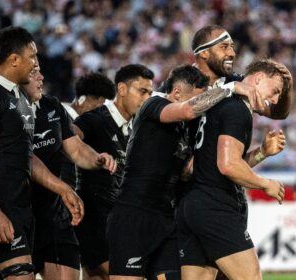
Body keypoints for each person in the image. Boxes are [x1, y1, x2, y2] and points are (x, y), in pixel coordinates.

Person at [106, 63, 268, 280]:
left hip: (168, 216)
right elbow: (189, 108)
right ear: (177, 93)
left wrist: (262, 153)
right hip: (135, 212)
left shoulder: (189, 129)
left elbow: (220, 167)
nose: (202, 108)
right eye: (197, 98)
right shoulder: (154, 104)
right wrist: (230, 88)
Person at [0, 26, 84, 280]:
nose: (37, 63)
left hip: (19, 207)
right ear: (14, 59)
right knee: (21, 275)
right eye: (33, 56)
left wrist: (62, 188)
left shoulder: (20, 99)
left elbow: (26, 155)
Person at [177, 59, 290, 280]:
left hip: (193, 204)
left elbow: (221, 163)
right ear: (258, 79)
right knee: (250, 277)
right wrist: (266, 184)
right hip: (215, 205)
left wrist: (262, 152)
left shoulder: (220, 104)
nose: (275, 100)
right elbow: (228, 165)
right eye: (275, 91)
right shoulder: (238, 109)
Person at [19, 66, 116, 280]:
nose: (41, 77)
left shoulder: (52, 107)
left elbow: (76, 148)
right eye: (33, 72)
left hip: (62, 211)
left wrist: (96, 158)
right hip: (21, 210)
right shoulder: (6, 109)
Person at [73, 64, 154, 280]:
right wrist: (92, 156)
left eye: (149, 93)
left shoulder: (135, 128)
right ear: (122, 89)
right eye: (142, 91)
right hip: (92, 215)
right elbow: (69, 138)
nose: (146, 98)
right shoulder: (96, 119)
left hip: (117, 219)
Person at [60, 72, 117, 191]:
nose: (99, 113)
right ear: (81, 100)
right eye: (97, 107)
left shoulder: (92, 125)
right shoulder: (59, 115)